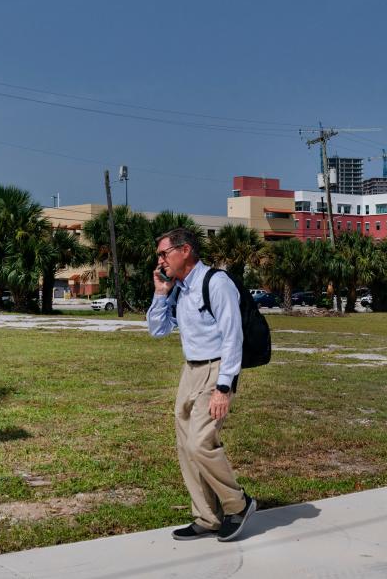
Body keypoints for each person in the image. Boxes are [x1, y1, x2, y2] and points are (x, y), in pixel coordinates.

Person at [147, 227, 256, 542]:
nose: (160, 261)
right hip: (190, 371)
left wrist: (225, 386)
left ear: (185, 251)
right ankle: (207, 518)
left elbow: (233, 335)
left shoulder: (216, 283)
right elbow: (158, 330)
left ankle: (238, 504)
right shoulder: (179, 288)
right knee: (185, 447)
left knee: (200, 443)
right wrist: (160, 293)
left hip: (216, 369)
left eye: (164, 254)